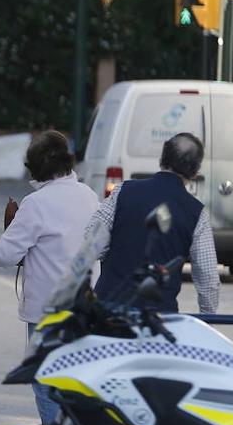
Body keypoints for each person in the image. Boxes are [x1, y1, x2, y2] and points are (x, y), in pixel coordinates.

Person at [0, 131, 98, 425]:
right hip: (86, 307)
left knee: (46, 383)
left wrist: (12, 227)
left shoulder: (36, 203)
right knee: (77, 384)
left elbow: (4, 255)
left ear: (34, 167)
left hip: (48, 312)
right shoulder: (89, 196)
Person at [86, 132, 220, 315]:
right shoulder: (197, 213)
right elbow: (208, 278)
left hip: (108, 310)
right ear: (195, 171)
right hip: (159, 317)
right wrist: (207, 316)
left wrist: (114, 255)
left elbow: (91, 240)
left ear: (162, 158)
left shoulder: (123, 191)